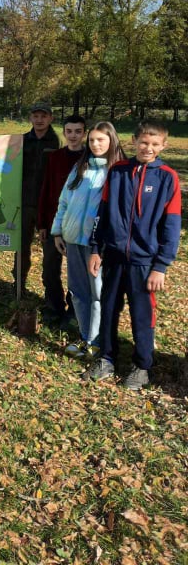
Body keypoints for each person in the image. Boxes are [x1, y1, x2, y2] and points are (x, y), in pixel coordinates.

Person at [83, 120, 181, 390]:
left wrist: (161, 266)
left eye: (154, 144)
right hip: (113, 258)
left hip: (144, 263)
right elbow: (101, 214)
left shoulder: (167, 177)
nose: (148, 148)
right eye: (143, 142)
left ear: (163, 146)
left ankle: (141, 366)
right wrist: (95, 248)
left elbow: (171, 225)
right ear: (134, 142)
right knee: (108, 310)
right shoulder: (117, 172)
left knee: (142, 316)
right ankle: (106, 358)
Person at [51, 122, 124, 360]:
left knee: (97, 293)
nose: (95, 144)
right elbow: (64, 201)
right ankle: (85, 336)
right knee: (78, 291)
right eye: (92, 140)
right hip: (73, 240)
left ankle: (97, 340)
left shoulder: (117, 171)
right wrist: (58, 231)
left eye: (101, 140)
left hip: (98, 246)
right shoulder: (80, 168)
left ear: (112, 141)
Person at [37, 114, 86, 327]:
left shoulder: (89, 159)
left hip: (78, 227)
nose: (73, 136)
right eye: (69, 131)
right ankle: (53, 307)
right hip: (53, 223)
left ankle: (74, 312)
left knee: (76, 273)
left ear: (84, 133)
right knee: (50, 269)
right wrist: (42, 224)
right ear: (64, 133)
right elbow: (46, 190)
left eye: (77, 131)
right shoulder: (55, 157)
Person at [14, 100, 60, 296]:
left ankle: (51, 293)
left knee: (50, 252)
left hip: (49, 207)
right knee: (21, 247)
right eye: (36, 116)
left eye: (44, 116)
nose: (39, 120)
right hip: (24, 203)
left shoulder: (58, 143)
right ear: (30, 118)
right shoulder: (21, 141)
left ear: (50, 118)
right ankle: (18, 285)